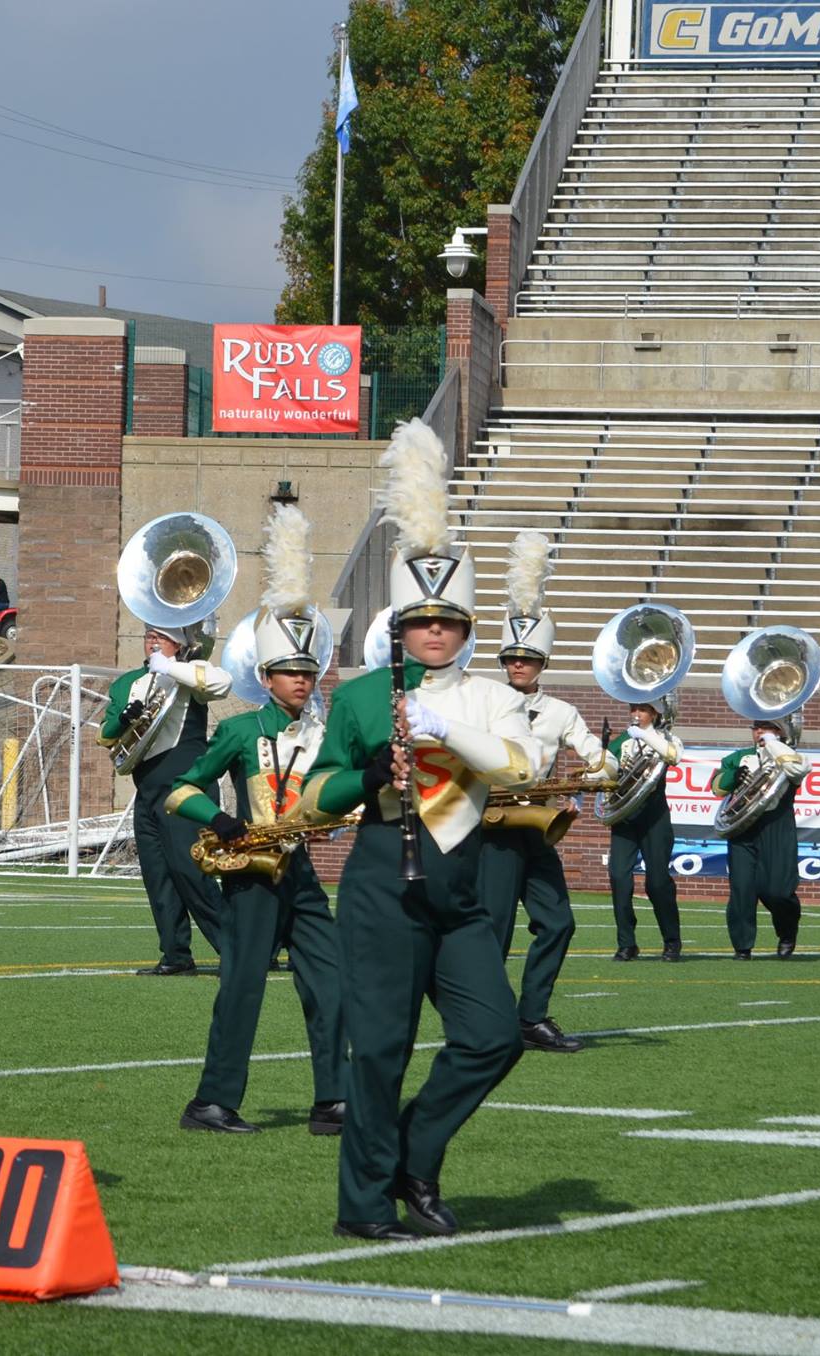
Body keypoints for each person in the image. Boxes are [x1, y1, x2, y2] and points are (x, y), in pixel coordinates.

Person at [296, 419, 537, 1241]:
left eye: (449, 621)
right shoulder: (364, 696)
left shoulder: (492, 698)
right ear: (400, 626)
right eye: (421, 621)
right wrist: (371, 776)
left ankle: (414, 1158)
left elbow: (519, 769)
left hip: (461, 891)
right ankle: (364, 1207)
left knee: (493, 1036)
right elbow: (313, 799)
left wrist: (442, 728)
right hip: (381, 888)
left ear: (467, 628)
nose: (435, 632)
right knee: (382, 1051)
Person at [165, 505, 344, 1136]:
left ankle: (334, 1100)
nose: (302, 681)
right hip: (250, 873)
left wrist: (334, 817)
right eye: (290, 672)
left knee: (331, 983)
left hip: (300, 873)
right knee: (242, 988)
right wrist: (221, 820)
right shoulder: (241, 731)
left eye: (308, 672)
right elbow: (180, 792)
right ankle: (211, 1103)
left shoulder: (326, 734)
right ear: (266, 678)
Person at [477, 532, 607, 1055]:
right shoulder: (482, 700)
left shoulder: (560, 712)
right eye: (511, 657)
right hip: (492, 827)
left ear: (543, 663)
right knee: (493, 932)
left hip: (537, 827)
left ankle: (531, 1018)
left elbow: (597, 757)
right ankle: (487, 1022)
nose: (518, 665)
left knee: (558, 923)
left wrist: (587, 780)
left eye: (527, 659)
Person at [101, 608, 231, 976]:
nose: (154, 641)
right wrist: (123, 719)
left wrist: (170, 667)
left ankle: (237, 948)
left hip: (186, 789)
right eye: (149, 635)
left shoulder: (189, 674)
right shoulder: (128, 683)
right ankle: (175, 954)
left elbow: (222, 684)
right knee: (157, 875)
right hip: (147, 789)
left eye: (163, 637)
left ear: (180, 643)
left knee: (191, 871)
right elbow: (106, 735)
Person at [716, 713, 807, 959]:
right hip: (743, 826)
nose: (760, 732)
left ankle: (787, 932)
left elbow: (797, 769)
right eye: (757, 727)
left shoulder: (791, 756)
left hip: (777, 825)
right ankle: (742, 946)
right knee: (742, 889)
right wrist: (732, 778)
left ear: (780, 732)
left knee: (778, 891)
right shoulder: (739, 757)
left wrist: (774, 744)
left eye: (767, 728)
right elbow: (717, 788)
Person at [606, 696, 685, 961]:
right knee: (619, 877)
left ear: (655, 713)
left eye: (643, 709)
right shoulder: (622, 741)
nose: (636, 713)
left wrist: (644, 735)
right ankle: (626, 943)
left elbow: (674, 756)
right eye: (633, 708)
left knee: (657, 882)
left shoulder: (666, 738)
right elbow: (605, 769)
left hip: (655, 817)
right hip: (625, 817)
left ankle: (671, 940)